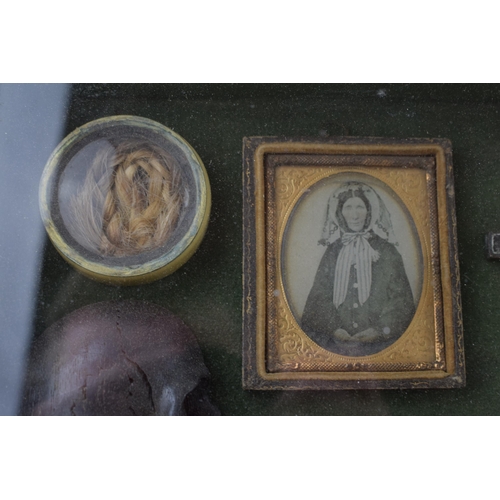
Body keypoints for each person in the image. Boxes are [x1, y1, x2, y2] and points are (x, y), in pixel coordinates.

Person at [301, 181, 415, 357]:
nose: (354, 215)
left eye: (360, 207)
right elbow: (319, 297)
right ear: (340, 213)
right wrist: (334, 329)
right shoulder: (332, 252)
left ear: (369, 211)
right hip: (336, 345)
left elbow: (401, 300)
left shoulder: (387, 251)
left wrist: (378, 330)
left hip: (380, 346)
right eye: (348, 208)